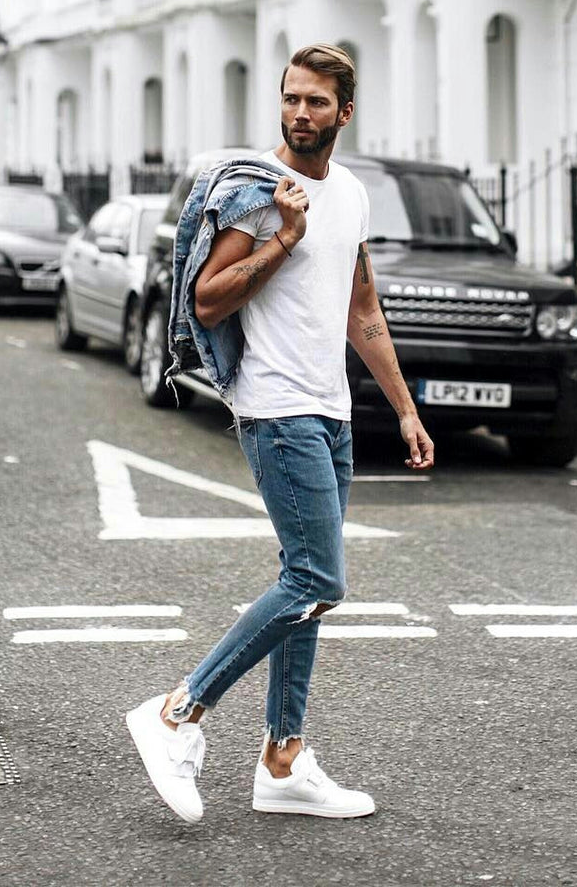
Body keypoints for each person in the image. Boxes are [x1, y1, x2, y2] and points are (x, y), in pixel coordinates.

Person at [127, 43, 434, 823]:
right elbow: (206, 301)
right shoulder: (261, 196)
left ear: (345, 113)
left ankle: (283, 760)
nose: (301, 113)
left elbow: (363, 312)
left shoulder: (354, 195)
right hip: (274, 406)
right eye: (292, 98)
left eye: (316, 103)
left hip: (331, 411)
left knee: (308, 591)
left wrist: (402, 407)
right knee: (316, 579)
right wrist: (282, 240)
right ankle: (178, 711)